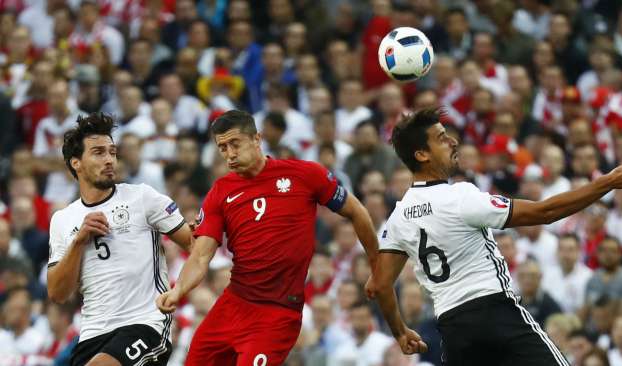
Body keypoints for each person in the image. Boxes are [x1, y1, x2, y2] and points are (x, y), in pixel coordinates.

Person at [372, 108, 622, 365]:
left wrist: (400, 331)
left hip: (454, 331)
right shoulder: (460, 197)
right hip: (496, 314)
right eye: (442, 138)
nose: (454, 142)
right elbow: (545, 212)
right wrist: (606, 183)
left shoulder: (398, 217)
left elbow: (379, 285)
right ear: (422, 155)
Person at [156, 110, 380, 365]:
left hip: (277, 313)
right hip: (234, 303)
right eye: (222, 148)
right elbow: (200, 255)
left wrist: (376, 263)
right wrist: (178, 290)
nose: (229, 154)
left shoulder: (304, 175)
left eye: (235, 144)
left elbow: (357, 212)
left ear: (257, 139)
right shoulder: (221, 191)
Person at [46, 113, 194, 366]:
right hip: (92, 334)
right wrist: (79, 241)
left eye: (112, 152)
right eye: (98, 153)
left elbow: (196, 245)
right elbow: (58, 293)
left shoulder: (142, 198)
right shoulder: (63, 219)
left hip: (145, 324)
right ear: (76, 163)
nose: (109, 160)